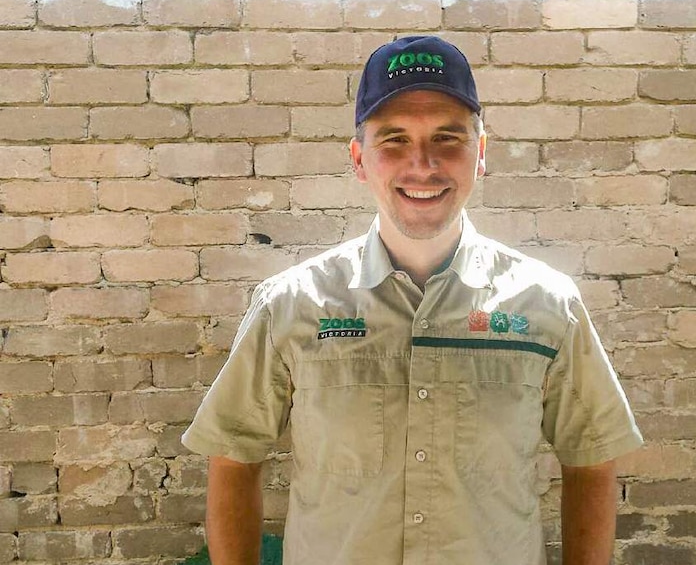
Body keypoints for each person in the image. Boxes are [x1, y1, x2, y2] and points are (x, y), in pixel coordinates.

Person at [182, 35, 643, 565]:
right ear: (359, 160)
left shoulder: (548, 305)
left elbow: (590, 460)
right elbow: (234, 457)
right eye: (394, 140)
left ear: (482, 153)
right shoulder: (291, 306)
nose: (422, 165)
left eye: (448, 138)